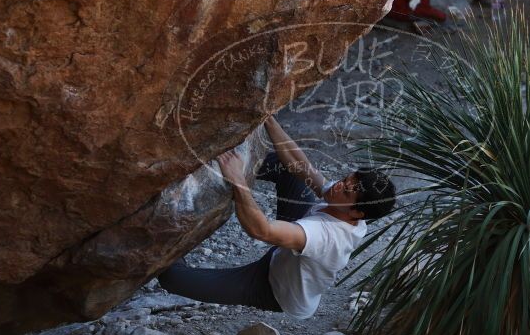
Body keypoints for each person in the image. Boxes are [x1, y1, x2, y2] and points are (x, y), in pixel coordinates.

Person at [157, 115, 396, 320]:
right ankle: (224, 163)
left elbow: (262, 231)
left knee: (173, 278)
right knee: (288, 170)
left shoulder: (326, 236)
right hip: (289, 250)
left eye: (345, 190)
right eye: (346, 179)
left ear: (357, 213)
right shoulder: (345, 203)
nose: (339, 186)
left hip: (272, 288)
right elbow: (300, 166)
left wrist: (238, 180)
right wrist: (268, 117)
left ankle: (170, 232)